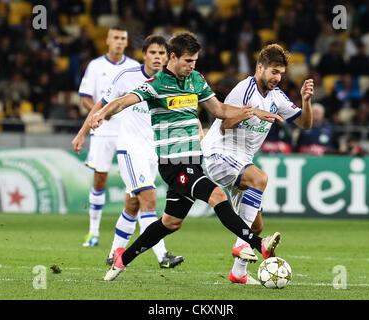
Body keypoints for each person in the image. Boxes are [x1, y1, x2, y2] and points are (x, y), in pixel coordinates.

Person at [74, 31, 284, 282]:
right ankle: (258, 244)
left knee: (170, 223)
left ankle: (122, 258)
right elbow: (123, 101)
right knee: (216, 194)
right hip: (173, 164)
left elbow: (219, 110)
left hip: (193, 162)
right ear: (172, 57)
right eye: (188, 61)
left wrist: (251, 111)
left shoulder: (195, 79)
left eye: (195, 61)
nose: (192, 66)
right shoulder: (156, 84)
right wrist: (101, 113)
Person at [201, 44, 313, 284]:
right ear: (259, 67)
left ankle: (238, 273)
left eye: (281, 73)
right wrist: (253, 113)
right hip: (219, 153)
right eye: (273, 71)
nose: (277, 78)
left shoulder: (277, 96)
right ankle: (241, 244)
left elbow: (305, 124)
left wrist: (306, 101)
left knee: (256, 226)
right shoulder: (244, 89)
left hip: (241, 160)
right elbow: (224, 125)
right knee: (260, 179)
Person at [99, 35, 184, 268]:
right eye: (153, 53)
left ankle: (114, 252)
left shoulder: (170, 81)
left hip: (151, 151)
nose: (157, 57)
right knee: (149, 198)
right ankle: (162, 255)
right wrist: (85, 129)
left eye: (162, 54)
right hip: (129, 148)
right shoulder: (127, 77)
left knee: (132, 204)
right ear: (144, 55)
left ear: (168, 57)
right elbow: (104, 102)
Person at [77, 26, 139, 247]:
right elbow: (85, 98)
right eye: (116, 38)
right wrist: (100, 114)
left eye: (123, 38)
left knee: (134, 182)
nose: (119, 42)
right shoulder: (95, 66)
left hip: (128, 131)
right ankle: (93, 233)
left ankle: (135, 234)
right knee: (100, 178)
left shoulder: (134, 67)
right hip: (102, 131)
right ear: (108, 40)